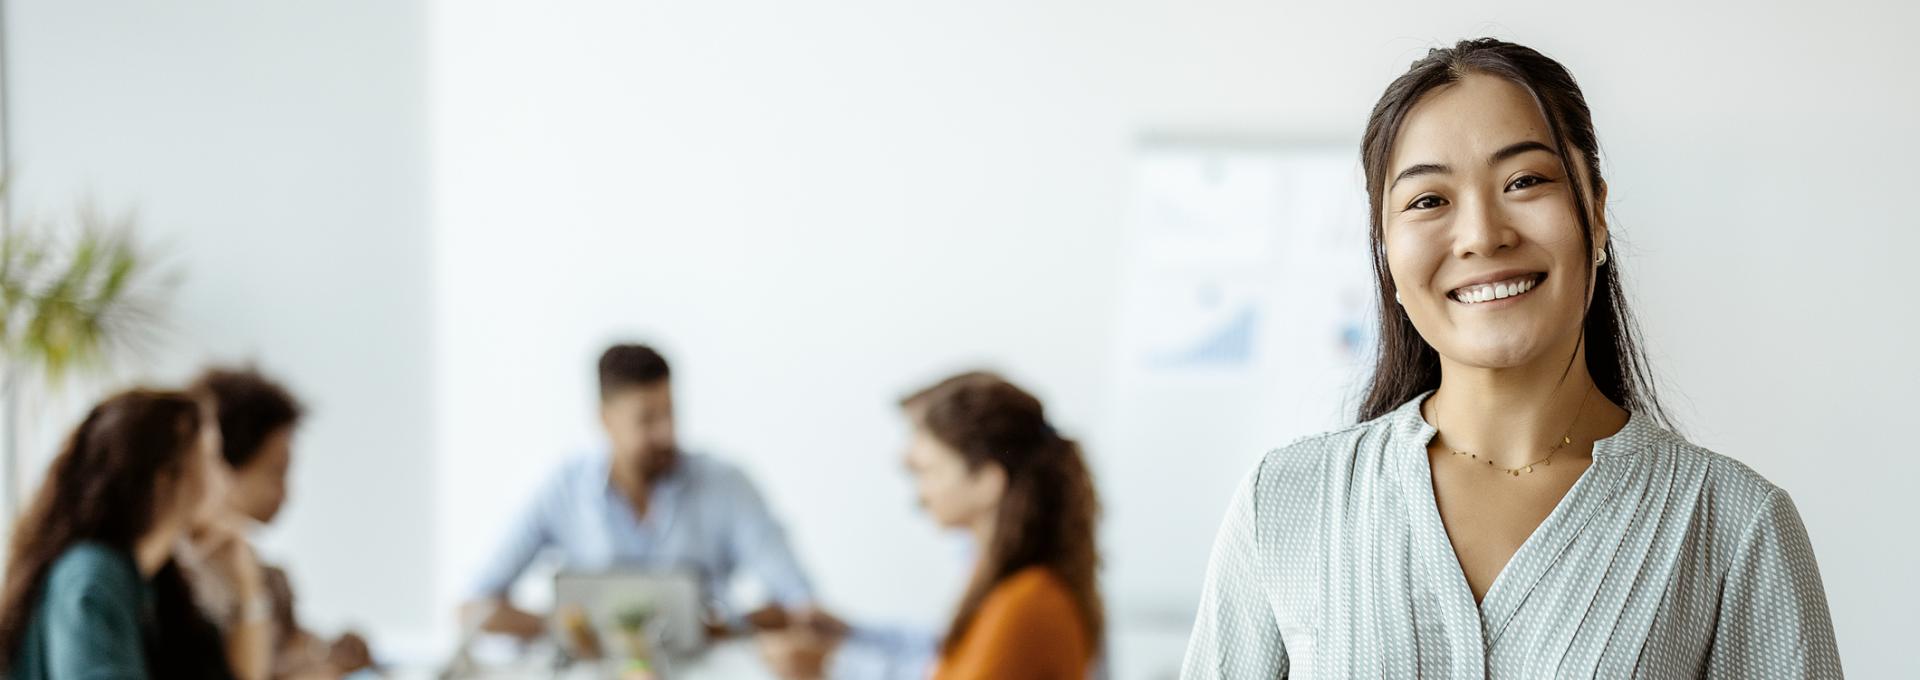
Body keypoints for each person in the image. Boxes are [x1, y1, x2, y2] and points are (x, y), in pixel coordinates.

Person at [1182, 38, 1842, 678]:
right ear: (1384, 248)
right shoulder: (1284, 501)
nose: (1482, 235)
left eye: (1524, 181)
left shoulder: (1733, 524)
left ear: (1597, 211)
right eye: (1428, 200)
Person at [463, 343, 820, 639]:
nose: (666, 433)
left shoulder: (726, 485)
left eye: (670, 413)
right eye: (647, 419)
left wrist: (719, 628)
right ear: (605, 419)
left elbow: (801, 604)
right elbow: (472, 608)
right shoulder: (562, 491)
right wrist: (571, 629)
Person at [0, 389, 266, 679]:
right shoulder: (92, 576)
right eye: (212, 457)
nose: (225, 479)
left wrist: (245, 586)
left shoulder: (155, 584)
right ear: (164, 477)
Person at [896, 371, 1103, 680]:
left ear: (987, 481)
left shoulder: (1027, 603)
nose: (921, 496)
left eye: (932, 472)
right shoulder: (1008, 594)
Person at [186, 366, 376, 679]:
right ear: (220, 464)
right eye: (275, 472)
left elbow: (292, 651)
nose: (286, 493)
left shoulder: (270, 578)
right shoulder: (182, 581)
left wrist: (329, 653)